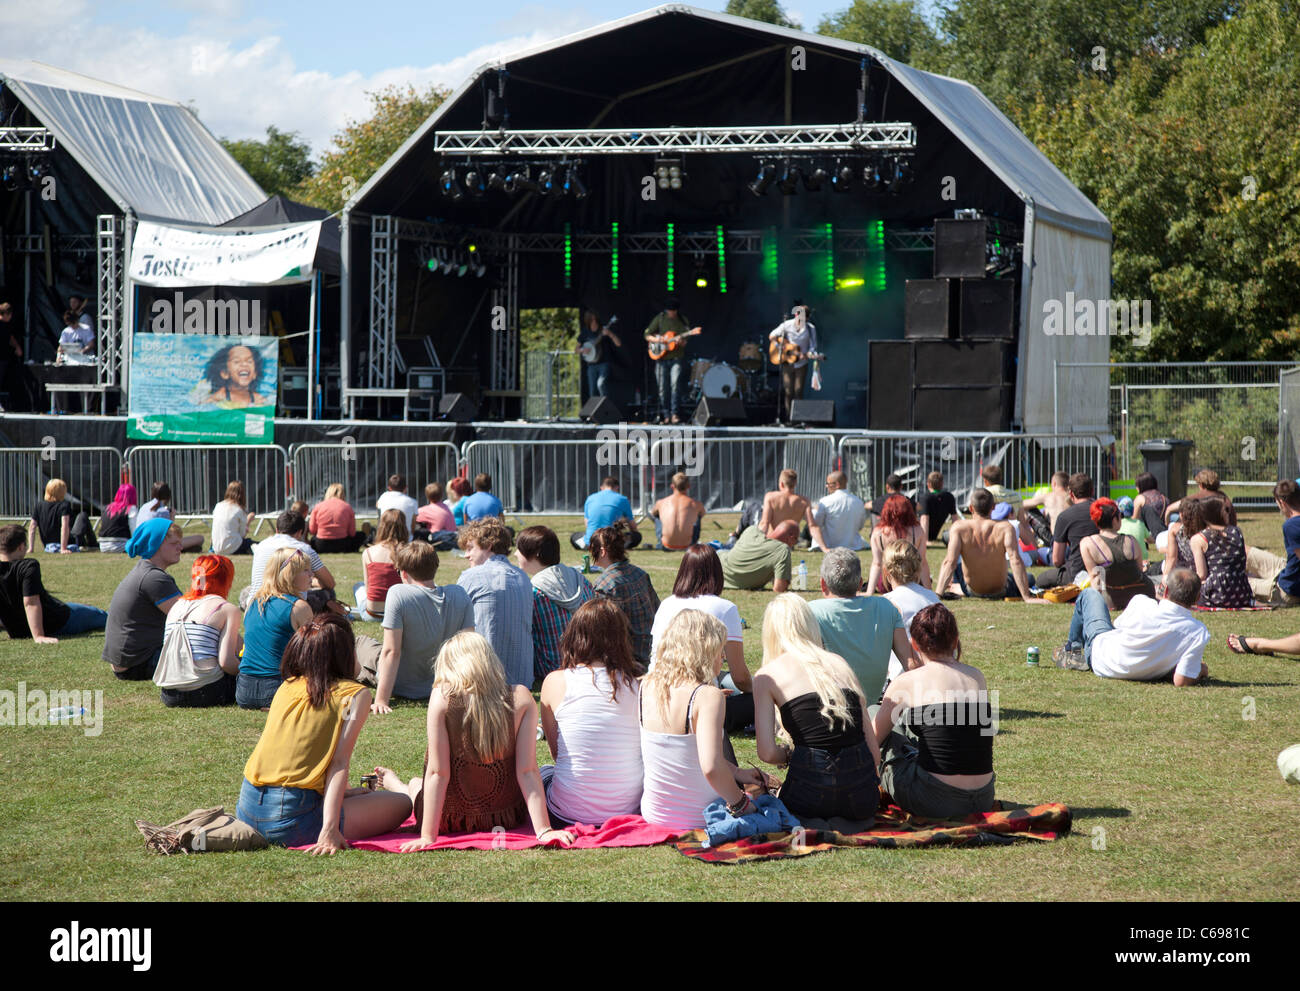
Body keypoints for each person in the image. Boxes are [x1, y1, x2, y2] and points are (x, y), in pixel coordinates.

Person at [374, 631, 575, 849]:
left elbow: (438, 773)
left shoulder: (442, 698)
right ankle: (402, 784)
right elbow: (527, 771)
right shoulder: (522, 698)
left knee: (417, 786)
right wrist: (543, 830)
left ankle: (400, 785)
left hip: (448, 819)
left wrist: (428, 837)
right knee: (419, 785)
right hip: (505, 816)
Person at [237, 614, 412, 852]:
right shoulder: (355, 695)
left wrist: (345, 794)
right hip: (290, 819)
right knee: (403, 804)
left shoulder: (287, 686)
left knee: (362, 799)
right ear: (345, 653)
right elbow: (339, 763)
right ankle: (402, 788)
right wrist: (329, 828)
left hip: (247, 811)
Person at [754, 593, 881, 822]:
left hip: (808, 798)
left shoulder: (767, 676)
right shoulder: (839, 664)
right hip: (862, 799)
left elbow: (767, 753)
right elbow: (874, 755)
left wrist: (791, 754)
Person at [639, 609, 764, 829]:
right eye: (719, 649)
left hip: (655, 812)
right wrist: (742, 805)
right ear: (703, 652)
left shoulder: (646, 685)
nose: (723, 656)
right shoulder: (706, 696)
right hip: (700, 816)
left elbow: (682, 754)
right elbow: (711, 767)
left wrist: (736, 772)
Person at [873, 603, 997, 818]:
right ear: (956, 640)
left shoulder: (907, 682)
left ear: (914, 644)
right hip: (984, 796)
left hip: (935, 799)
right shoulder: (977, 676)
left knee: (875, 713)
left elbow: (873, 741)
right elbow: (980, 736)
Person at [539, 598, 644, 827]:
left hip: (566, 811)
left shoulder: (555, 682)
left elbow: (557, 754)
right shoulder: (638, 687)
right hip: (628, 807)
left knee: (543, 772)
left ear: (574, 635)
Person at [651, 544, 752, 731]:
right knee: (760, 697)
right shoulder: (724, 608)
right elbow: (741, 677)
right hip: (696, 705)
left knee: (724, 679)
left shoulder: (666, 605)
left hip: (658, 697)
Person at [1053, 568, 1210, 685]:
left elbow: (1118, 626)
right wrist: (1201, 670)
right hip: (1146, 671)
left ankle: (1072, 651)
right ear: (1197, 598)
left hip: (1102, 658)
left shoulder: (1142, 603)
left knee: (1090, 594)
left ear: (1166, 590)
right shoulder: (1198, 632)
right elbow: (1181, 680)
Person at [371, 541, 474, 714]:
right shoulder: (460, 594)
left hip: (402, 686)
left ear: (403, 572)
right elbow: (469, 649)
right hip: (444, 685)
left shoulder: (398, 593)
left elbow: (391, 651)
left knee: (362, 645)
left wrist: (381, 699)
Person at [808, 548, 911, 707]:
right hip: (871, 708)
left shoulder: (809, 612)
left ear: (823, 584)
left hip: (825, 708)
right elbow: (911, 664)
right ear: (860, 583)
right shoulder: (886, 607)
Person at [102, 519, 184, 679]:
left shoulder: (145, 571)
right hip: (138, 663)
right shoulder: (153, 578)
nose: (180, 548)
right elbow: (188, 618)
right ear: (156, 544)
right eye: (175, 543)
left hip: (127, 662)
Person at [457, 517, 534, 688]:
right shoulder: (523, 577)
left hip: (483, 679)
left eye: (470, 548)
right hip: (523, 679)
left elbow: (450, 622)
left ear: (488, 545)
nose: (466, 555)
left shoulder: (471, 576)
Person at [156, 555, 242, 707]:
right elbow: (226, 662)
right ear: (225, 579)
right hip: (206, 692)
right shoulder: (226, 609)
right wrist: (250, 673)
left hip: (169, 693)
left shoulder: (177, 605)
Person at [0, 524, 107, 642]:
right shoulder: (27, 566)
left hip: (19, 630)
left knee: (77, 607)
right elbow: (30, 602)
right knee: (101, 616)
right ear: (20, 547)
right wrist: (38, 636)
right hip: (58, 622)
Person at [513, 525, 594, 682]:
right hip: (587, 662)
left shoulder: (534, 592)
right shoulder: (580, 579)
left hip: (551, 669)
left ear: (535, 554)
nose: (516, 553)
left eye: (519, 549)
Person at [239, 545, 315, 710]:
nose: (312, 575)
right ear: (290, 574)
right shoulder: (298, 607)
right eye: (306, 570)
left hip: (244, 690)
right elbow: (313, 654)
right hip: (277, 687)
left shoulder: (253, 603)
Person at [935, 489, 1042, 602]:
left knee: (955, 561)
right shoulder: (1005, 528)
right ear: (993, 507)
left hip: (972, 590)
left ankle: (955, 587)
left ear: (971, 508)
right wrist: (1027, 597)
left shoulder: (959, 528)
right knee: (1029, 578)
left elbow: (949, 562)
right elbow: (1015, 560)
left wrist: (937, 595)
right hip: (1001, 590)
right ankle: (956, 587)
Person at [589, 525, 659, 669]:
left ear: (602, 552)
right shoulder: (640, 574)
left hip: (626, 659)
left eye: (591, 549)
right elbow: (657, 609)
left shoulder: (604, 584)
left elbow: (601, 632)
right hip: (649, 652)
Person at [881, 539, 941, 682]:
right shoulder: (933, 598)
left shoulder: (887, 602)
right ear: (918, 569)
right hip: (939, 677)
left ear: (886, 572)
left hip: (904, 680)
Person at [1079, 498, 1155, 609]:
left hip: (1113, 599)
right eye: (1120, 516)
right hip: (1143, 595)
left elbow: (1095, 578)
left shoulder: (1087, 544)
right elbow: (1139, 570)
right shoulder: (1131, 541)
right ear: (1114, 520)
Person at [248, 511, 335, 600]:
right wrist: (313, 582)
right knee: (328, 593)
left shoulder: (261, 545)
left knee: (247, 590)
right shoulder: (303, 550)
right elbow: (329, 583)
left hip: (255, 602)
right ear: (300, 532)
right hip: (289, 606)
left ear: (277, 530)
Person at [1186, 494, 1252, 608]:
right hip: (1242, 593)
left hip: (1216, 594)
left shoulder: (1199, 539)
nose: (1229, 512)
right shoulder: (1236, 532)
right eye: (1226, 510)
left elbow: (1201, 575)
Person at [1035, 473, 1099, 589]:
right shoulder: (1102, 511)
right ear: (1092, 491)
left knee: (1041, 579)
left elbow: (1057, 560)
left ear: (1071, 494)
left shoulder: (1065, 516)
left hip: (1076, 572)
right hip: (1102, 570)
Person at [1243, 480, 1300, 606]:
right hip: (1287, 570)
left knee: (1235, 584)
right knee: (1244, 551)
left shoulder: (1291, 526)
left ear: (1282, 503)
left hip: (1288, 590)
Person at [644, 298, 699, 424]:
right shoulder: (660, 318)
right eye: (669, 310)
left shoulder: (682, 321)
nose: (670, 313)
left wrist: (681, 341)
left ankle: (675, 413)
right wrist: (658, 340)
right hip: (661, 357)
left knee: (675, 385)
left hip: (676, 358)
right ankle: (666, 414)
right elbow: (647, 334)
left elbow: (685, 342)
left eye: (672, 310)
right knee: (663, 388)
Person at [865, 493, 931, 594]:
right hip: (913, 583)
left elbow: (877, 564)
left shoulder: (878, 532)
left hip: (887, 584)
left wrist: (869, 592)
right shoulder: (918, 531)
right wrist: (929, 591)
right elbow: (923, 562)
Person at [768, 302, 818, 421]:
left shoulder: (811, 329)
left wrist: (808, 355)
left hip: (801, 363)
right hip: (788, 362)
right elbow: (772, 336)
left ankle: (798, 417)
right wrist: (781, 346)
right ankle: (788, 417)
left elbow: (813, 347)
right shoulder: (787, 325)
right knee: (788, 390)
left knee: (798, 390)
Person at [354, 509, 407, 620]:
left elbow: (368, 587)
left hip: (372, 614)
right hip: (401, 613)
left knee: (359, 586)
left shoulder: (368, 552)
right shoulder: (408, 552)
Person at [721, 518, 797, 592]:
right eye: (795, 541)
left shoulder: (751, 530)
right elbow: (779, 588)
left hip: (718, 570)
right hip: (731, 580)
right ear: (791, 538)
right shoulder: (782, 550)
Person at [571, 476, 642, 551]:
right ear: (617, 487)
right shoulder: (622, 499)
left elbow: (587, 524)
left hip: (591, 542)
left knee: (574, 536)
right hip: (612, 543)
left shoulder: (590, 498)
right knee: (637, 536)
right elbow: (633, 526)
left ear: (601, 487)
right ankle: (617, 545)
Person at [30, 478, 92, 554]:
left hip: (48, 544)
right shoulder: (64, 505)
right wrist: (63, 548)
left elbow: (32, 527)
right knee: (83, 516)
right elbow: (64, 526)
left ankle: (90, 544)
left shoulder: (39, 505)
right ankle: (93, 544)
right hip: (67, 542)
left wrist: (31, 548)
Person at [136, 482, 203, 551]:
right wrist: (172, 517)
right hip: (156, 546)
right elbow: (172, 533)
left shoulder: (144, 506)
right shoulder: (163, 511)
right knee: (200, 538)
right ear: (168, 495)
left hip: (140, 543)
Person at [199, 343, 271, 409]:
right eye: (237, 361)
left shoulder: (257, 399)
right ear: (225, 373)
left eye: (249, 361)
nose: (244, 364)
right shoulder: (220, 396)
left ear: (255, 374)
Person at [651, 472, 705, 550]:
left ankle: (661, 541)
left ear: (672, 486)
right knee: (697, 516)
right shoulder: (696, 504)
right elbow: (702, 514)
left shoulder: (661, 503)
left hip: (666, 545)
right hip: (688, 545)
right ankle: (690, 541)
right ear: (689, 486)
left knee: (657, 515)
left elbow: (653, 513)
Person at [576, 309, 621, 400]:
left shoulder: (603, 329)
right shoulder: (585, 333)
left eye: (594, 319)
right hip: (591, 365)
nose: (594, 322)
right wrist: (583, 350)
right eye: (591, 320)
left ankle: (606, 408)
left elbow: (618, 344)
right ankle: (594, 413)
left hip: (604, 363)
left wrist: (610, 334)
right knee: (592, 390)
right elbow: (576, 349)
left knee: (601, 384)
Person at [1166, 468, 1237, 527]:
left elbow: (1170, 509)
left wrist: (1167, 524)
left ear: (1201, 484)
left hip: (1209, 536)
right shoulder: (1223, 496)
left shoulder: (1199, 496)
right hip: (1230, 532)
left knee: (1172, 523)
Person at [309, 483, 366, 554]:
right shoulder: (347, 507)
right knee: (361, 535)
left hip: (321, 544)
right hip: (343, 544)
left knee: (313, 539)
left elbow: (312, 530)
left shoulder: (318, 506)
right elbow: (352, 533)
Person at [759, 469, 813, 537]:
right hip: (789, 544)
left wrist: (757, 540)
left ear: (781, 484)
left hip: (772, 540)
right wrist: (824, 547)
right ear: (795, 484)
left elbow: (764, 523)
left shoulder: (771, 497)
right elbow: (812, 526)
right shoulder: (804, 502)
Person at [211, 480, 255, 556]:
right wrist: (248, 520)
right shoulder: (239, 510)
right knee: (255, 544)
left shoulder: (218, 506)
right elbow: (242, 535)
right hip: (232, 547)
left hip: (216, 547)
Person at [918, 471, 960, 544]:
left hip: (921, 533)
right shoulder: (949, 497)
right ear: (942, 484)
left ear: (928, 484)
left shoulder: (925, 498)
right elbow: (954, 519)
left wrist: (925, 540)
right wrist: (956, 536)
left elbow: (924, 519)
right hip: (933, 535)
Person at [413, 481, 458, 549]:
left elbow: (412, 518)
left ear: (427, 496)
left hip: (438, 538)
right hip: (451, 536)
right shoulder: (446, 507)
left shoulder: (425, 510)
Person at [1132, 472, 1169, 547]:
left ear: (1141, 486)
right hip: (1165, 532)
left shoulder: (1141, 498)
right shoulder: (1163, 497)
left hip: (1152, 534)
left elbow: (1134, 520)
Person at [98, 483, 137, 554]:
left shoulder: (107, 507)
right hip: (121, 545)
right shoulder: (131, 508)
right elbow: (134, 530)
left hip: (102, 546)